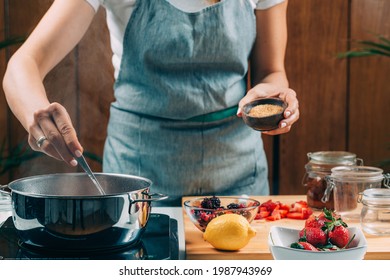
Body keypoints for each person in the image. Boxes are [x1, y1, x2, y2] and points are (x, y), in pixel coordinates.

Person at [2, 0, 299, 206]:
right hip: (138, 184)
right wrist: (35, 114)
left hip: (239, 179)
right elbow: (23, 65)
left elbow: (271, 71)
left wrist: (274, 96)